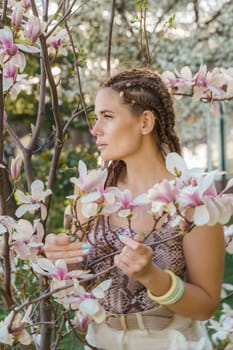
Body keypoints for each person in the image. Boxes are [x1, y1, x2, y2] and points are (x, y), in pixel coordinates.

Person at [44, 68, 225, 350]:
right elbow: (80, 280)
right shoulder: (91, 195)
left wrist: (153, 277)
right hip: (99, 342)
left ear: (145, 122)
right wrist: (63, 259)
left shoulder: (193, 201)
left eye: (107, 117)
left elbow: (205, 307)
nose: (95, 130)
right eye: (96, 118)